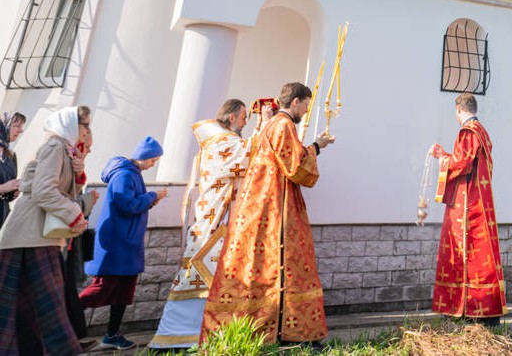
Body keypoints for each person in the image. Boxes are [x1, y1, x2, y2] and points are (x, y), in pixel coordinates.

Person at [201, 83, 334, 346]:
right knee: (286, 260)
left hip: (266, 199)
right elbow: (294, 167)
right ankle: (291, 334)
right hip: (274, 204)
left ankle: (275, 330)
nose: (307, 111)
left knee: (268, 264)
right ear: (295, 102)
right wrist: (317, 146)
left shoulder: (272, 125)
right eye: (306, 104)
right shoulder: (283, 125)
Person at [151, 98, 275, 349]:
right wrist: (266, 124)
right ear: (231, 118)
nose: (244, 123)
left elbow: (245, 150)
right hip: (212, 225)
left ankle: (201, 334)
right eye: (243, 118)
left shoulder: (220, 143)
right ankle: (174, 338)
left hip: (214, 221)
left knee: (211, 278)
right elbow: (250, 154)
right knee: (197, 277)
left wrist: (261, 125)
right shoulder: (220, 143)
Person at [0, 106, 92, 356]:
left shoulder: (64, 149)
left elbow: (56, 190)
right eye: (85, 125)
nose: (87, 131)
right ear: (72, 125)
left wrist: (79, 173)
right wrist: (75, 216)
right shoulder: (55, 147)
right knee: (46, 308)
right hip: (29, 236)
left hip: (34, 237)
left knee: (26, 310)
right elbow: (44, 191)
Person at [81, 135, 168, 350]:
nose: (153, 164)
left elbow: (131, 203)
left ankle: (112, 335)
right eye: (153, 160)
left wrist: (150, 199)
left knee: (124, 291)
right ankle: (62, 316)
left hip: (126, 242)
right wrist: (152, 196)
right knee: (104, 287)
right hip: (117, 243)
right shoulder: (124, 175)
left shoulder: (132, 173)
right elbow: (127, 205)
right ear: (144, 156)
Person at [429, 92, 506, 322]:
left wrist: (442, 158)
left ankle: (467, 309)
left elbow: (461, 163)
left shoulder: (468, 131)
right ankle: (478, 308)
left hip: (468, 204)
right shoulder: (482, 131)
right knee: (479, 252)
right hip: (481, 199)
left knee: (467, 252)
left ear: (459, 110)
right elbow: (468, 161)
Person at [62, 117, 98, 340]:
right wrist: (88, 201)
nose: (88, 152)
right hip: (54, 242)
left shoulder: (73, 167)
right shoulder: (58, 162)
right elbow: (59, 200)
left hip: (68, 242)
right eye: (87, 147)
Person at [0, 113, 26, 229]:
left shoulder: (11, 156)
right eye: (16, 126)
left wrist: (14, 192)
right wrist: (3, 188)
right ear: (5, 126)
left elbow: (8, 194)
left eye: (21, 127)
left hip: (3, 214)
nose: (21, 131)